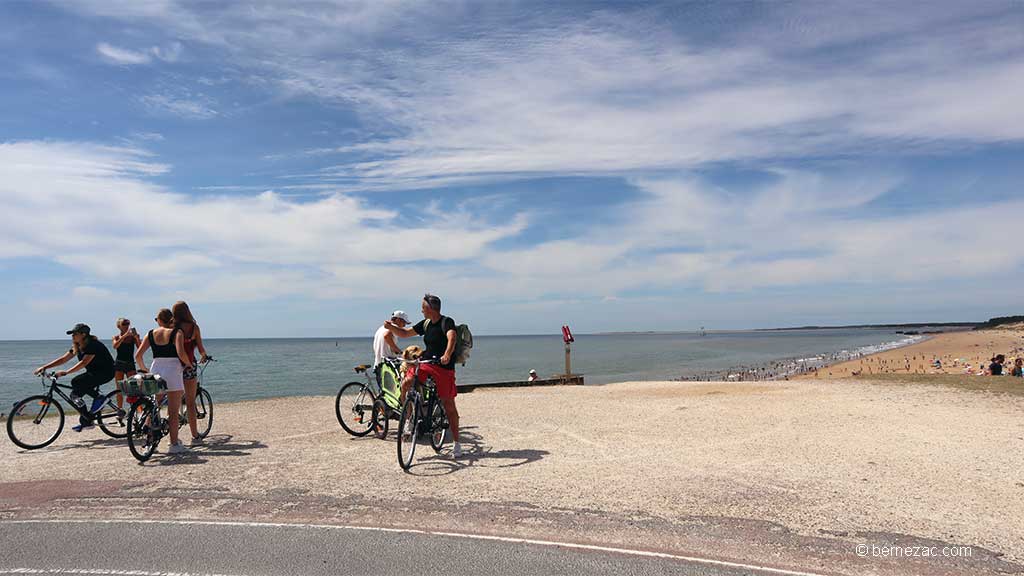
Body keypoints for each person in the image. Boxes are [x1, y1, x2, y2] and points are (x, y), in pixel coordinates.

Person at [385, 293, 463, 458]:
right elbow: (405, 333)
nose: (421, 311)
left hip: (443, 367)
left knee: (448, 404)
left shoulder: (446, 321)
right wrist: (391, 328)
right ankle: (408, 419)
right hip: (426, 362)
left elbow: (452, 337)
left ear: (430, 308)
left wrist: (447, 354)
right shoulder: (426, 323)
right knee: (406, 383)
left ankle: (457, 443)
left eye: (423, 308)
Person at [34, 323, 115, 432]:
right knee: (75, 395)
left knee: (76, 381)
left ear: (83, 334)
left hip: (106, 372)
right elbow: (63, 359)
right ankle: (87, 420)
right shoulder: (78, 346)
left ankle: (100, 398)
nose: (72, 336)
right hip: (94, 373)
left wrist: (66, 372)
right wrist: (44, 367)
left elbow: (84, 363)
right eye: (72, 334)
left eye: (75, 334)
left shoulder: (93, 345)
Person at [135, 308, 193, 454]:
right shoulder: (176, 332)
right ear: (171, 319)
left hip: (156, 369)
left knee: (154, 406)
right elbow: (181, 352)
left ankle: (149, 442)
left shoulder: (150, 334)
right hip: (173, 370)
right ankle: (174, 444)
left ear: (159, 320)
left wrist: (145, 370)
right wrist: (188, 364)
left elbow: (138, 355)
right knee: (173, 411)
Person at [172, 301, 209, 446]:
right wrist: (204, 356)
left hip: (173, 366)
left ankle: (171, 437)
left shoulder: (173, 327)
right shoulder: (194, 328)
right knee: (190, 402)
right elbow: (200, 348)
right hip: (189, 366)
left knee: (171, 402)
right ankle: (195, 437)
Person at [112, 318, 142, 412]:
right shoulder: (116, 337)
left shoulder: (132, 337)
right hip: (119, 364)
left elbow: (140, 348)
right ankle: (119, 410)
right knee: (119, 389)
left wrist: (136, 338)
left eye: (128, 323)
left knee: (133, 388)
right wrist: (124, 336)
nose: (126, 325)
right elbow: (115, 346)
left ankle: (137, 410)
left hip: (130, 364)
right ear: (119, 326)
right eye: (124, 323)